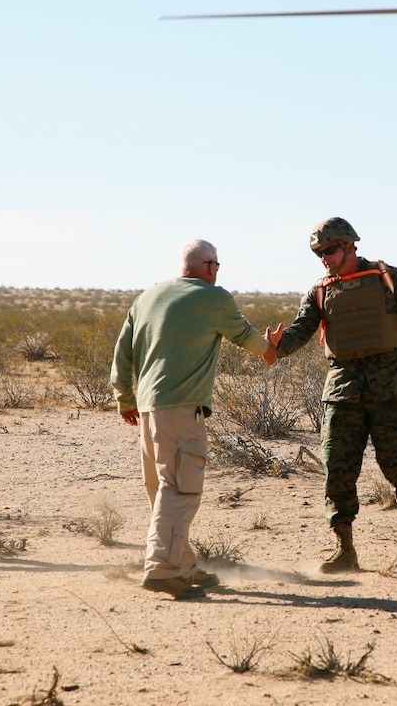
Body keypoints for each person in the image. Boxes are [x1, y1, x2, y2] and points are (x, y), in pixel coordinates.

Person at [266, 217, 397, 572]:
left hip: (389, 387)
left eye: (330, 250)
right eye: (319, 253)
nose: (324, 258)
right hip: (342, 388)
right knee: (338, 467)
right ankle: (344, 549)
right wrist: (275, 346)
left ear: (350, 245)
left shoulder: (389, 278)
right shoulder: (319, 291)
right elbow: (300, 330)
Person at [111, 240, 278, 599]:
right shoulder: (214, 298)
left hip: (147, 408)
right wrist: (270, 349)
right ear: (210, 266)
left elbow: (123, 352)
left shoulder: (148, 297)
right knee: (180, 489)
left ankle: (183, 564)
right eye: (217, 266)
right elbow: (247, 339)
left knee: (161, 489)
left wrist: (125, 397)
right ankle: (162, 569)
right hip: (182, 409)